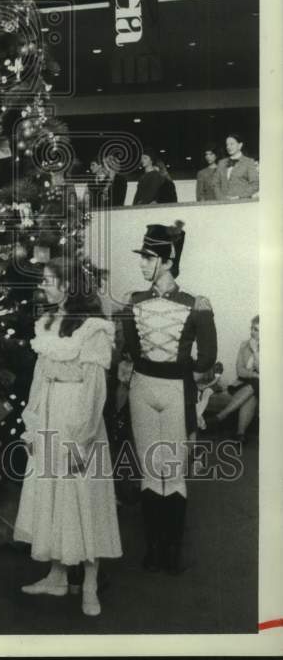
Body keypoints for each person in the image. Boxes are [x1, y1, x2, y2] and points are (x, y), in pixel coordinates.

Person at [14, 260, 121, 618]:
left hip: (78, 419)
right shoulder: (46, 324)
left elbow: (95, 388)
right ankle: (57, 576)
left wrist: (83, 437)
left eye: (48, 281)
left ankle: (90, 584)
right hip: (49, 414)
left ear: (68, 285)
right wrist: (31, 423)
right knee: (53, 496)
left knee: (83, 497)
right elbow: (39, 378)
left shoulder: (93, 329)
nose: (43, 286)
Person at [121, 223, 217, 575]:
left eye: (148, 258)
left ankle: (171, 551)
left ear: (166, 260)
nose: (143, 264)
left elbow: (208, 357)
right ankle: (153, 546)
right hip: (142, 389)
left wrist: (183, 378)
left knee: (172, 473)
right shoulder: (134, 302)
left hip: (176, 392)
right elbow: (130, 349)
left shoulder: (196, 304)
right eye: (143, 257)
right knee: (150, 471)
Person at [211, 315, 259, 443]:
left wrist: (255, 351)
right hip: (243, 384)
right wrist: (255, 375)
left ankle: (221, 416)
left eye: (257, 330)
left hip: (263, 387)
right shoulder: (244, 345)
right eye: (252, 328)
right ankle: (240, 435)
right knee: (254, 389)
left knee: (256, 385)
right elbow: (240, 371)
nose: (252, 332)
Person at [215, 134, 259, 200]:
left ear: (240, 145)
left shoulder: (249, 162)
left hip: (241, 203)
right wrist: (221, 198)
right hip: (223, 203)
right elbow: (215, 184)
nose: (228, 147)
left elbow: (255, 184)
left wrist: (239, 197)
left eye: (231, 144)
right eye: (227, 144)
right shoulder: (221, 163)